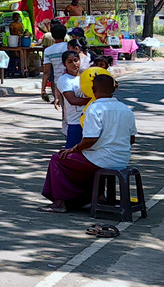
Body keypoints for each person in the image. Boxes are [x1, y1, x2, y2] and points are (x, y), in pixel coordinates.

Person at [40, 74, 136, 212]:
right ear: (114, 89)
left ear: (92, 89)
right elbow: (131, 139)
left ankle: (60, 203)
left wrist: (74, 149)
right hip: (122, 159)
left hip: (101, 158)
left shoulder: (95, 108)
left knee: (58, 158)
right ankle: (96, 197)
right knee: (84, 161)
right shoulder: (126, 109)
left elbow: (90, 139)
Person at [56, 51, 90, 148]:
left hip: (91, 122)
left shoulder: (87, 77)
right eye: (70, 62)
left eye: (76, 60)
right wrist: (93, 100)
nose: (74, 64)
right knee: (72, 153)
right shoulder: (64, 79)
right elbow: (73, 100)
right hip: (76, 123)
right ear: (64, 64)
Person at [42, 23, 70, 103]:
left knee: (63, 108)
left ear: (52, 36)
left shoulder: (48, 51)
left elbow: (46, 72)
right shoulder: (69, 47)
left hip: (58, 83)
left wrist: (43, 90)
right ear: (65, 35)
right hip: (71, 80)